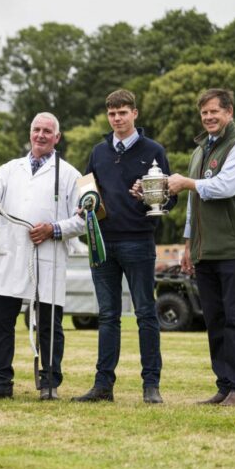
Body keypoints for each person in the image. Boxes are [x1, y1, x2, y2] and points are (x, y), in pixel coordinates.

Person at [0, 112, 85, 400]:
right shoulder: (10, 169)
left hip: (47, 255)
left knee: (49, 326)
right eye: (37, 129)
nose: (41, 135)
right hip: (9, 255)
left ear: (57, 137)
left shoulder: (70, 174)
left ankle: (49, 384)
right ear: (30, 133)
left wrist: (54, 229)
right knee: (0, 323)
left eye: (48, 131)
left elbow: (84, 220)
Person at [72, 89, 174, 404]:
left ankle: (151, 386)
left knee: (145, 313)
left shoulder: (153, 150)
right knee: (107, 316)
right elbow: (91, 191)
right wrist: (84, 206)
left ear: (134, 114)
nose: (117, 118)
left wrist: (149, 195)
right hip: (102, 242)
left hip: (138, 241)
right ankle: (103, 386)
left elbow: (170, 195)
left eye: (123, 112)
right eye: (112, 113)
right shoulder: (98, 152)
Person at [167, 88, 235, 406]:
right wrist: (189, 244)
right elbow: (194, 205)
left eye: (214, 111)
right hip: (205, 250)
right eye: (204, 113)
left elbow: (225, 187)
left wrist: (186, 182)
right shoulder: (199, 151)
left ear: (229, 112)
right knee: (215, 320)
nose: (209, 117)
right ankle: (224, 386)